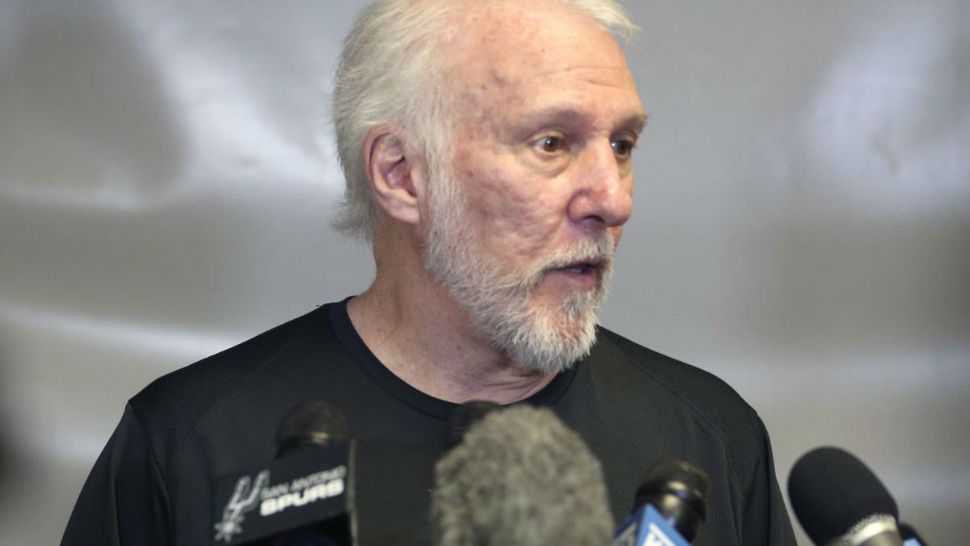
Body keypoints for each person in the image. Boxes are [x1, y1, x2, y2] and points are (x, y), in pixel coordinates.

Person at [62, 0, 797, 544]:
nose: (612, 199)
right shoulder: (189, 443)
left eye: (624, 144)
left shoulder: (711, 440)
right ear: (402, 174)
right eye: (551, 142)